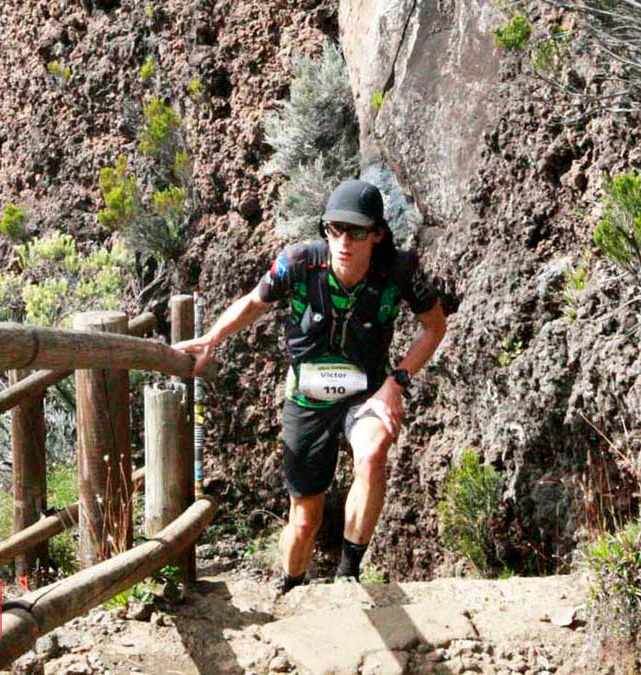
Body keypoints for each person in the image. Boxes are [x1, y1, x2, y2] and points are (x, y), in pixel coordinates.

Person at [173, 179, 447, 593]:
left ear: (377, 234)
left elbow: (434, 325)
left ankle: (348, 575)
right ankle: (292, 586)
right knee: (305, 518)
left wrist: (397, 381)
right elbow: (254, 303)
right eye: (334, 229)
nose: (344, 241)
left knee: (372, 455)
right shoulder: (299, 262)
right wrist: (212, 338)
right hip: (307, 394)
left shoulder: (399, 271)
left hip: (367, 389)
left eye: (356, 232)